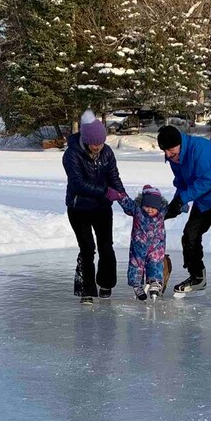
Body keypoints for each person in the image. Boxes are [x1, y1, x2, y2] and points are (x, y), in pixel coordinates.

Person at [156, 124, 211, 303]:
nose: (168, 154)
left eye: (171, 149)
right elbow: (181, 183)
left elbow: (207, 180)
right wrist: (176, 203)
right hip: (204, 198)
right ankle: (197, 277)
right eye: (164, 150)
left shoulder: (200, 149)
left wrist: (184, 198)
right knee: (190, 236)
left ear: (180, 143)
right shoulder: (175, 158)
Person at [63, 114, 125, 302]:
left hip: (102, 208)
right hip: (79, 208)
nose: (98, 147)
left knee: (106, 247)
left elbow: (114, 177)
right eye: (94, 143)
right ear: (86, 140)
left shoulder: (107, 152)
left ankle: (106, 283)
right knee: (88, 248)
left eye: (101, 142)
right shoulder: (71, 155)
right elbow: (79, 184)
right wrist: (107, 192)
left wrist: (124, 198)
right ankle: (88, 290)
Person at [106, 183, 172, 300]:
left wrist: (182, 205)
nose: (149, 209)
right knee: (136, 265)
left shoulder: (162, 212)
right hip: (139, 246)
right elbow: (127, 202)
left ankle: (155, 282)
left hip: (156, 247)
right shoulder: (137, 210)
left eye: (153, 207)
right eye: (147, 206)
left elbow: (175, 206)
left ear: (159, 206)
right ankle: (137, 285)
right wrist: (118, 196)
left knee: (155, 263)